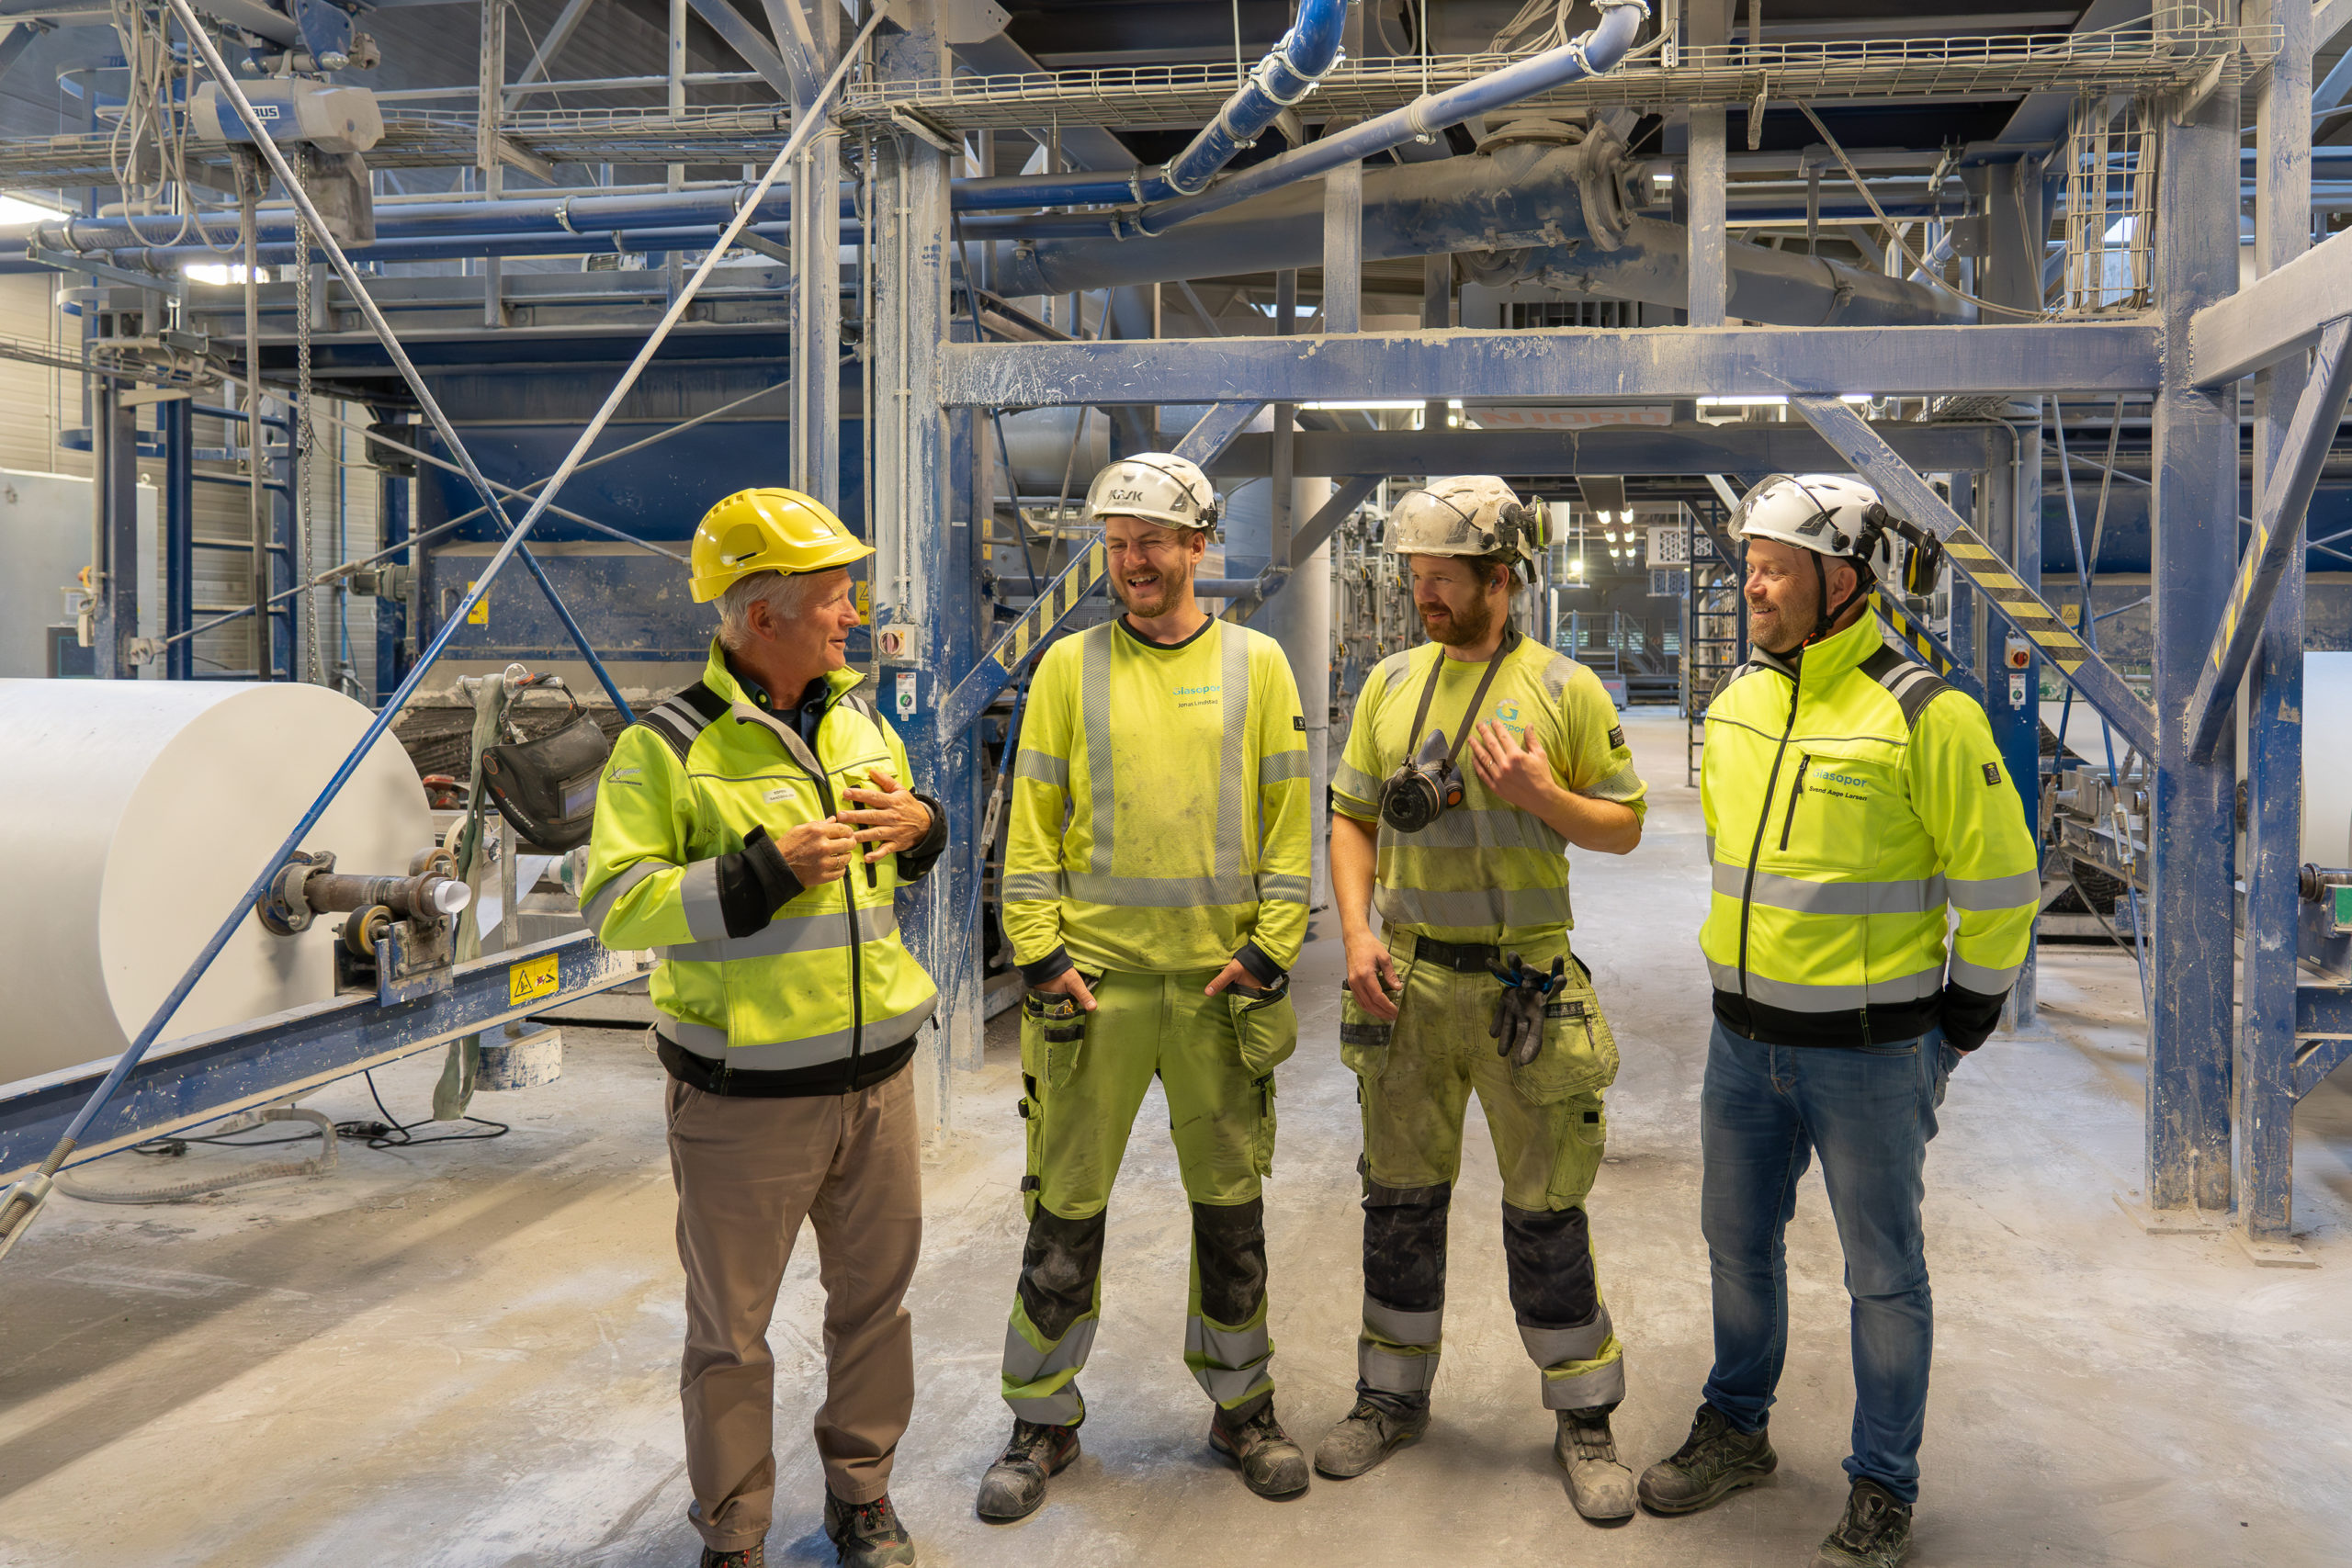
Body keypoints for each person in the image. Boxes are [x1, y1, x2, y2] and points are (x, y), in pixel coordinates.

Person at [1638, 474, 2039, 1568]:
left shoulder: (1925, 712)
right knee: (1736, 1248)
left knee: (1881, 1275)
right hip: (1741, 1045)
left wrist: (1959, 1017)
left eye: (1772, 568)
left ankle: (1882, 1488)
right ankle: (1737, 1428)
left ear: (1841, 580)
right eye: (1750, 564)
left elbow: (2002, 882)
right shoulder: (1736, 704)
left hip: (1871, 1055)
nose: (1751, 585)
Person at [582, 488, 948, 1568]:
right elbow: (616, 902)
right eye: (831, 598)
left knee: (875, 1310)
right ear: (760, 616)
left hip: (876, 1084)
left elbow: (903, 836)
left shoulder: (856, 715)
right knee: (731, 1338)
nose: (851, 616)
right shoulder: (666, 748)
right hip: (743, 1103)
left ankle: (862, 1496)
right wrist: (757, 874)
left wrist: (921, 828)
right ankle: (734, 1533)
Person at [975, 452, 1316, 1518]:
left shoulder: (1260, 665)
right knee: (1064, 1211)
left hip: (1219, 991)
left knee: (1230, 1209)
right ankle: (1040, 1417)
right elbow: (1030, 827)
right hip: (1094, 992)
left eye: (1152, 544)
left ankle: (1240, 1405)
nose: (1131, 563)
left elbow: (1288, 824)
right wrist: (1038, 952)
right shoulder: (1067, 671)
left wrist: (1272, 947)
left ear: (1198, 547)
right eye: (1117, 546)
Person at [1317, 476, 1648, 1523]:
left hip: (1525, 987)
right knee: (1399, 1203)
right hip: (1408, 981)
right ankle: (1389, 1398)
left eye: (1443, 579)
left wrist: (1541, 798)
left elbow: (1624, 826)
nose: (1424, 595)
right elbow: (1353, 819)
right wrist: (1360, 932)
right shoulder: (1388, 685)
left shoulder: (1565, 689)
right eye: (1415, 577)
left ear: (1501, 581)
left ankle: (1582, 1416)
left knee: (1545, 1209)